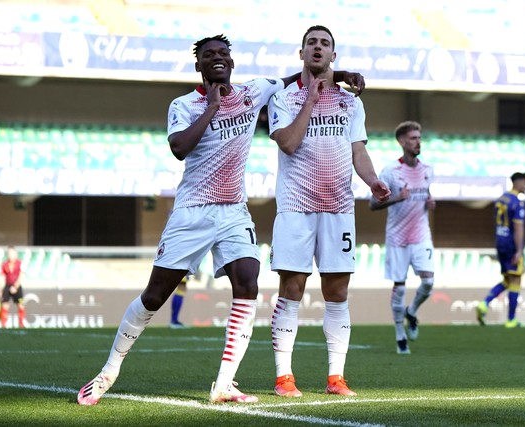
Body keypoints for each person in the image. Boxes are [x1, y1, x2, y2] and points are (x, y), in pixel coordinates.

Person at [77, 34, 366, 406]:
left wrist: (341, 72)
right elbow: (179, 148)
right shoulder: (183, 104)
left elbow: (302, 77)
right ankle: (108, 372)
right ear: (198, 65)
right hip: (192, 212)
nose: (217, 58)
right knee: (154, 296)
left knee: (248, 282)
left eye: (223, 54)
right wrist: (211, 108)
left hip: (233, 212)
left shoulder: (253, 92)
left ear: (232, 62)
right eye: (209, 55)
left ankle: (224, 384)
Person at [268, 25, 390, 398]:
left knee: (337, 291)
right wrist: (311, 101)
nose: (317, 48)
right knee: (292, 288)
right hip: (295, 206)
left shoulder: (351, 102)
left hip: (338, 206)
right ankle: (283, 378)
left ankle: (336, 377)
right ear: (301, 53)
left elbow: (358, 151)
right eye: (312, 43)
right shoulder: (284, 98)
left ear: (333, 56)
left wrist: (372, 181)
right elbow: (287, 144)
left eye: (325, 44)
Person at [369, 121, 435, 355]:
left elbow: (426, 194)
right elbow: (372, 204)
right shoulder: (390, 172)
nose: (418, 141)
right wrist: (398, 198)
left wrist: (430, 202)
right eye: (413, 138)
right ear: (402, 142)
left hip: (421, 235)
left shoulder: (427, 169)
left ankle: (412, 312)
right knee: (399, 288)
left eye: (419, 137)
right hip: (398, 237)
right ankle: (400, 336)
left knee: (428, 281)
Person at [477, 172, 525, 328]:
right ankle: (511, 319)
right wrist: (519, 250)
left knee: (508, 279)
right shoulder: (517, 203)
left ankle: (484, 303)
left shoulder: (500, 200)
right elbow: (518, 227)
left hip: (500, 241)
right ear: (517, 183)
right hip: (511, 244)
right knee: (516, 278)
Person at [0, 246, 26, 328]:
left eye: (12, 253)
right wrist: (0, 289)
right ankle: (3, 325)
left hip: (17, 286)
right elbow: (1, 277)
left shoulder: (20, 263)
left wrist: (15, 287)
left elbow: (21, 276)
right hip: (7, 286)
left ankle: (21, 324)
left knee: (20, 304)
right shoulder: (4, 264)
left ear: (16, 254)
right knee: (5, 305)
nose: (10, 255)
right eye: (9, 253)